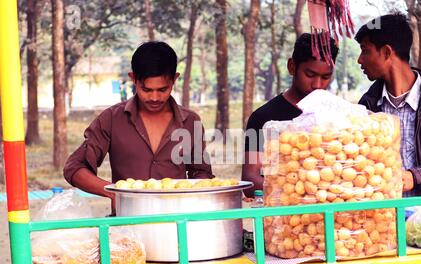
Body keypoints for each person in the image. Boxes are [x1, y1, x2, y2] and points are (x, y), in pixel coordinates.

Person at [64, 41, 214, 212]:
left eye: (163, 89)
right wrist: (114, 193)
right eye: (146, 90)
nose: (155, 97)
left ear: (175, 79)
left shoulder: (190, 122)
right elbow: (75, 168)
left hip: (178, 221)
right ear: (133, 78)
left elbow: (202, 174)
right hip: (127, 225)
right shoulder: (112, 119)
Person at [355, 13, 421, 196]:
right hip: (384, 219)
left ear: (387, 52)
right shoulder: (367, 106)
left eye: (365, 50)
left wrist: (416, 177)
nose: (360, 59)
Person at [242, 33, 339, 197]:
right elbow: (250, 179)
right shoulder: (263, 118)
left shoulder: (338, 115)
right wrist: (297, 194)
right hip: (285, 216)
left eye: (325, 77)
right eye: (310, 75)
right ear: (292, 66)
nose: (317, 84)